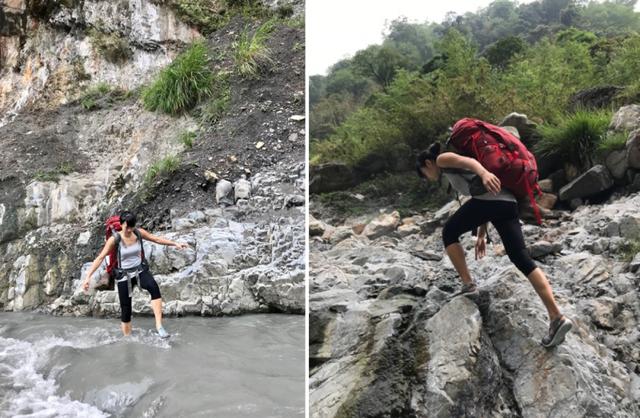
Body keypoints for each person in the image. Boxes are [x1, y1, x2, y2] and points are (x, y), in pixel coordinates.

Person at [416, 142, 572, 348]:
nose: (427, 178)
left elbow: (471, 163)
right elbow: (482, 193)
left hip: (490, 202)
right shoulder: (449, 170)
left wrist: (484, 173)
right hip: (507, 203)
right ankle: (556, 316)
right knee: (521, 258)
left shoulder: (442, 159)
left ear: (428, 163)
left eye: (423, 174)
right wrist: (481, 233)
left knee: (449, 232)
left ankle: (468, 285)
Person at [82, 211, 188, 338]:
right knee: (126, 310)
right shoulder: (114, 239)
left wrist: (175, 243)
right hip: (123, 276)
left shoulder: (138, 233)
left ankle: (159, 326)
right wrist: (88, 277)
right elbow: (100, 258)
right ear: (121, 225)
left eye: (131, 227)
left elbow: (156, 239)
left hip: (140, 270)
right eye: (127, 227)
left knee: (154, 288)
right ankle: (127, 339)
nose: (129, 230)